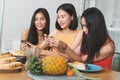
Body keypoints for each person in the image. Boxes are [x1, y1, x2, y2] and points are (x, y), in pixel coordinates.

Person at [47, 7, 115, 69]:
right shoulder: (88, 38)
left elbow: (81, 60)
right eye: (83, 26)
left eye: (87, 26)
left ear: (96, 26)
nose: (84, 30)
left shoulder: (109, 46)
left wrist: (65, 47)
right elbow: (72, 56)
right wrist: (55, 47)